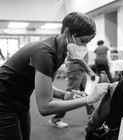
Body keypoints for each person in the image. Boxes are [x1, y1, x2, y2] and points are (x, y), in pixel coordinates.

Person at [0, 12, 110, 140]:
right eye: (83, 41)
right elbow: (45, 107)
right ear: (67, 32)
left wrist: (65, 95)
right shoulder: (45, 53)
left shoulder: (61, 51)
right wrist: (88, 99)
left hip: (21, 99)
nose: (84, 46)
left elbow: (45, 87)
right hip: (3, 101)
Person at [49, 52, 96, 128]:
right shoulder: (75, 42)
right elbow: (76, 54)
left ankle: (93, 118)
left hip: (81, 69)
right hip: (76, 69)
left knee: (86, 94)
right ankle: (56, 118)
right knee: (70, 95)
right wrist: (89, 69)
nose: (89, 40)